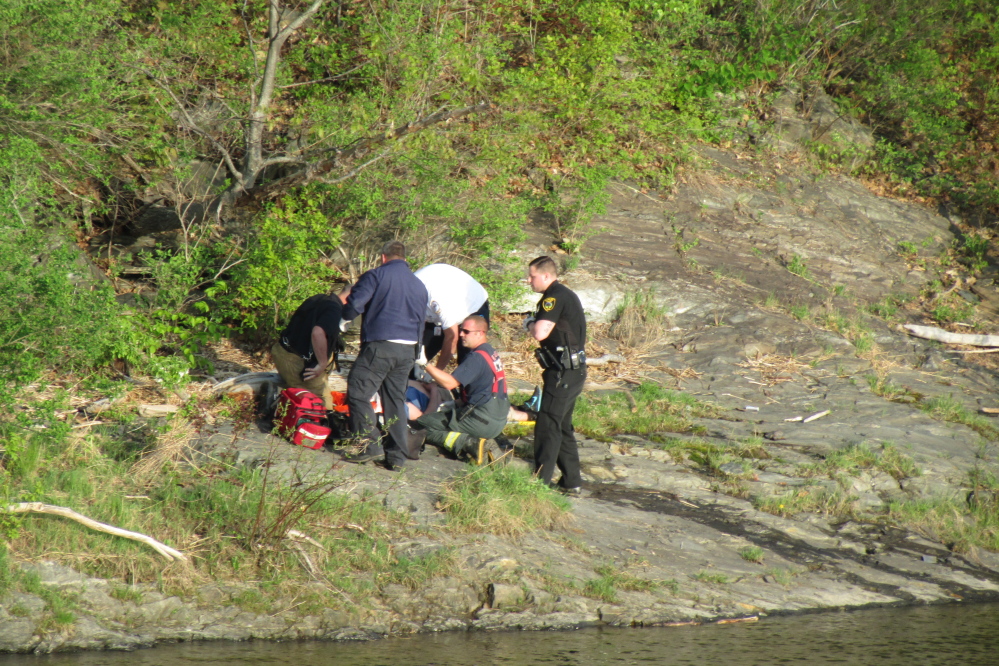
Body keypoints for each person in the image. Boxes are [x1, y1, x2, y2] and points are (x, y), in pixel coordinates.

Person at [339, 240, 428, 469]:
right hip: (408, 350)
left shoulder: (376, 275)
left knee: (358, 391)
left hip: (381, 346)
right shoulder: (419, 285)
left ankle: (370, 445)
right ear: (405, 258)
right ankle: (397, 457)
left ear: (383, 257)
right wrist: (418, 351)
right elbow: (421, 321)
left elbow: (355, 304)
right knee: (395, 401)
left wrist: (343, 318)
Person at [524, 256, 587, 493]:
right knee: (561, 425)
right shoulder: (563, 294)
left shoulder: (554, 297)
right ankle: (571, 481)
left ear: (546, 276)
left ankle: (539, 483)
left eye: (532, 276)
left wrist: (529, 323)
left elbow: (540, 332)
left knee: (547, 425)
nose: (528, 280)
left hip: (562, 373)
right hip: (572, 371)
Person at [415, 315, 510, 457]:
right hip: (497, 419)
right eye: (461, 330)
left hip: (482, 420)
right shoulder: (489, 351)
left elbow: (450, 383)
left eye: (466, 331)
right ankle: (480, 438)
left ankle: (468, 442)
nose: (460, 334)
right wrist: (455, 403)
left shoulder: (476, 358)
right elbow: (483, 389)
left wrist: (425, 364)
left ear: (480, 333)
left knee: (422, 425)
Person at [270, 289, 347, 411]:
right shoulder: (334, 309)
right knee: (320, 403)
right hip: (297, 362)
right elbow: (318, 333)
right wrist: (322, 363)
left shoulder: (319, 298)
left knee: (301, 394)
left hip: (282, 351)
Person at [414, 263, 489, 369]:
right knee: (418, 355)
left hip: (471, 306)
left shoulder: (438, 300)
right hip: (436, 310)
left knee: (467, 362)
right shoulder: (403, 292)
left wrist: (437, 374)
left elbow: (452, 337)